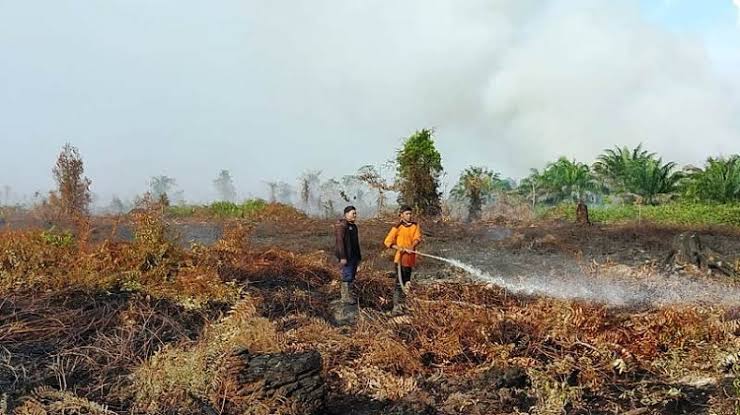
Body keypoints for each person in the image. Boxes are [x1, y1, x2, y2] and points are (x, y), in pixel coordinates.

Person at [383, 205, 422, 314]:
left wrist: (411, 247)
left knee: (407, 283)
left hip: (410, 260)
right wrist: (398, 248)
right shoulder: (397, 227)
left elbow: (417, 238)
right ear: (401, 215)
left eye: (410, 214)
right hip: (400, 260)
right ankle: (396, 307)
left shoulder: (415, 226)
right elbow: (387, 241)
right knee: (399, 283)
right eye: (406, 214)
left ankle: (403, 304)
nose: (409, 216)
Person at [335, 205, 361, 305]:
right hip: (346, 256)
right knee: (347, 275)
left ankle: (349, 295)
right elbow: (340, 242)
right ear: (346, 214)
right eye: (352, 213)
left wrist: (359, 257)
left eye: (355, 213)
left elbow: (356, 243)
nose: (355, 215)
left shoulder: (353, 226)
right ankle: (345, 297)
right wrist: (342, 257)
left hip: (354, 256)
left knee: (352, 276)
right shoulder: (342, 226)